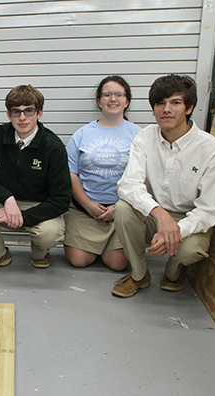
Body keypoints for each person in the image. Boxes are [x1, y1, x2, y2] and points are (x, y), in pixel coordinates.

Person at [111, 74, 215, 297]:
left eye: (175, 103)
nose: (166, 109)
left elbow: (210, 208)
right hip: (155, 214)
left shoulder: (209, 148)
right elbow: (128, 185)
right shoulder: (145, 137)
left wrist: (175, 230)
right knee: (123, 209)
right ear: (153, 109)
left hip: (189, 218)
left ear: (189, 107)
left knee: (191, 251)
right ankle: (139, 274)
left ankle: (174, 272)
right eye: (160, 103)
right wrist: (159, 214)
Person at [0, 84, 71, 275]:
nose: (22, 118)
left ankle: (40, 253)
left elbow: (62, 200)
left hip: (40, 205)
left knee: (50, 233)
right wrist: (7, 198)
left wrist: (23, 218)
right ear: (9, 115)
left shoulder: (53, 147)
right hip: (6, 202)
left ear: (39, 113)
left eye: (28, 111)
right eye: (16, 112)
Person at [64, 76, 141, 270]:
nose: (112, 99)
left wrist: (118, 208)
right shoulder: (82, 134)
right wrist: (88, 205)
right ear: (99, 101)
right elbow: (71, 174)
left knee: (117, 264)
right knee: (79, 260)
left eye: (118, 94)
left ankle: (107, 246)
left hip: (122, 210)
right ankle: (95, 245)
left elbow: (143, 176)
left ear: (127, 101)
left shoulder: (139, 135)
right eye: (107, 95)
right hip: (85, 210)